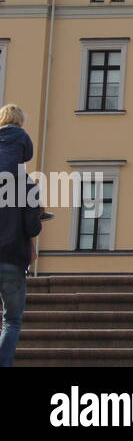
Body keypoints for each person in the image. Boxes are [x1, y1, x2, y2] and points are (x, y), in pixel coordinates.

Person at [0, 146, 43, 367]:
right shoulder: (27, 185)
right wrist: (36, 213)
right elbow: (32, 228)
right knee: (12, 321)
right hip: (12, 259)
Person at [0, 105, 33, 179]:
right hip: (14, 175)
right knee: (34, 190)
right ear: (20, 119)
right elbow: (28, 156)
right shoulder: (23, 135)